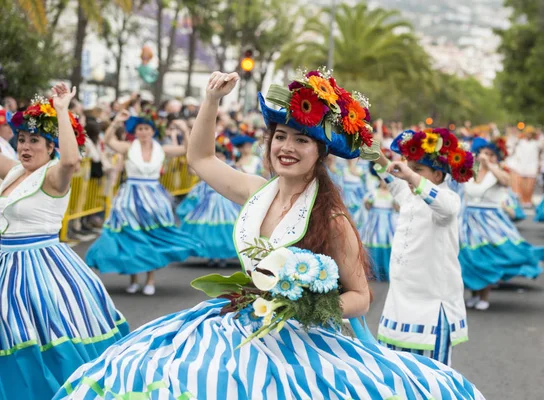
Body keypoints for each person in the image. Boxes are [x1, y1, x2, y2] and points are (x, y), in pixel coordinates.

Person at [54, 70, 485, 400]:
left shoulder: (330, 218)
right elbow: (200, 157)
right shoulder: (253, 192)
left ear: (320, 153)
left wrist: (307, 304)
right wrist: (210, 100)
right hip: (237, 324)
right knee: (152, 371)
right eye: (281, 136)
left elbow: (360, 297)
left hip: (301, 339)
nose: (287, 147)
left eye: (302, 139)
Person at [0, 84, 128, 400]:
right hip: (7, 268)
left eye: (35, 141)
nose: (26, 147)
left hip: (41, 274)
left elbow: (71, 161)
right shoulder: (14, 171)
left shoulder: (54, 176)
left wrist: (60, 110)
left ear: (51, 146)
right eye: (21, 139)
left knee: (46, 346)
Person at [372, 128, 472, 365]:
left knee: (431, 387)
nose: (408, 174)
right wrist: (372, 151)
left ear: (438, 176)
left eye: (418, 169)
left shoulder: (448, 200)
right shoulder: (409, 196)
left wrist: (410, 176)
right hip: (397, 312)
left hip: (431, 316)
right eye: (409, 167)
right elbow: (391, 176)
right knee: (395, 382)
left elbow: (445, 207)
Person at [85, 109, 202, 296]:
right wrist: (116, 123)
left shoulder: (160, 149)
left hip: (154, 199)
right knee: (132, 237)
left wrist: (183, 131)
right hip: (130, 197)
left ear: (153, 131)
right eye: (140, 128)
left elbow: (185, 150)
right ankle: (133, 278)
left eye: (147, 128)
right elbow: (108, 141)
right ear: (136, 131)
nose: (143, 132)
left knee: (150, 237)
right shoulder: (128, 147)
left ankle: (150, 280)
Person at [460, 138, 544, 311]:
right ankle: (474, 293)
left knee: (485, 258)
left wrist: (491, 165)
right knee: (469, 257)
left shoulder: (498, 172)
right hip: (469, 219)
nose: (486, 156)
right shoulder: (470, 171)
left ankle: (484, 295)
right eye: (484, 153)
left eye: (491, 154)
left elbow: (506, 181)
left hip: (489, 221)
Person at [179, 135, 241, 266]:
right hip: (208, 203)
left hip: (226, 203)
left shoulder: (231, 169)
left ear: (226, 157)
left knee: (224, 232)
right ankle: (212, 257)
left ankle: (223, 258)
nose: (219, 159)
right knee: (208, 232)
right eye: (216, 156)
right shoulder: (207, 169)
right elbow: (199, 180)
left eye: (221, 156)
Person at [358, 167, 399, 281]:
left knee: (387, 246)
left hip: (387, 225)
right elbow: (367, 207)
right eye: (382, 180)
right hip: (374, 224)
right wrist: (368, 203)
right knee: (373, 244)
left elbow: (397, 209)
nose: (384, 183)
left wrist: (396, 203)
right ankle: (373, 272)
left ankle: (386, 272)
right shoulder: (374, 193)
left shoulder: (393, 195)